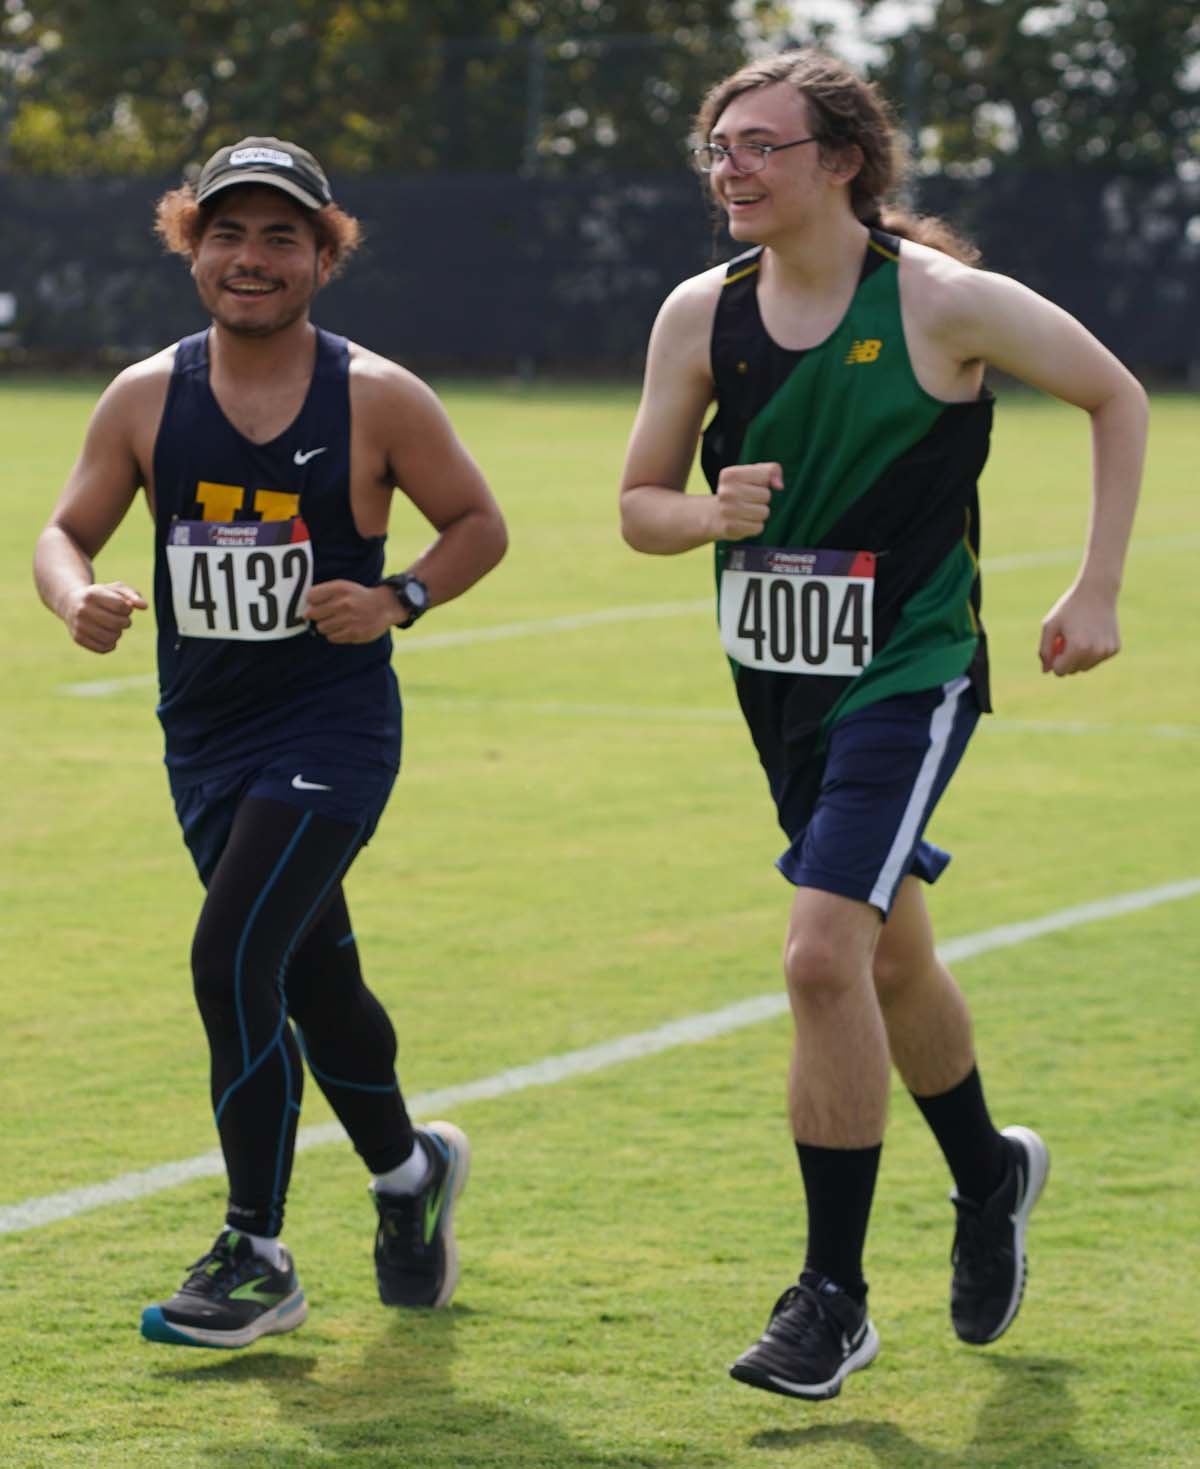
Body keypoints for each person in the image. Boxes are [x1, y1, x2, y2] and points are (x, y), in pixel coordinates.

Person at [619, 51, 1146, 1401]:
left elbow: (1114, 395)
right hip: (780, 686)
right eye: (716, 147)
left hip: (908, 675)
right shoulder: (700, 314)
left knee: (816, 953)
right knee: (889, 958)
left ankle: (833, 1297)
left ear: (842, 160)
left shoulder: (941, 302)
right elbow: (639, 507)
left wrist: (1094, 588)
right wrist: (707, 513)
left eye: (756, 145)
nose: (728, 168)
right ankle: (988, 1173)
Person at [34, 136, 507, 1350]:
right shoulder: (145, 395)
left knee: (229, 958)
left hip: (331, 728)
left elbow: (476, 523)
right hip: (203, 735)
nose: (253, 259)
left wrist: (397, 594)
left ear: (323, 252)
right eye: (229, 234)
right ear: (192, 243)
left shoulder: (380, 396)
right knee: (313, 975)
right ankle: (410, 1178)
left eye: (282, 236)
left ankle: (255, 1250)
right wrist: (71, 593)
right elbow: (64, 529)